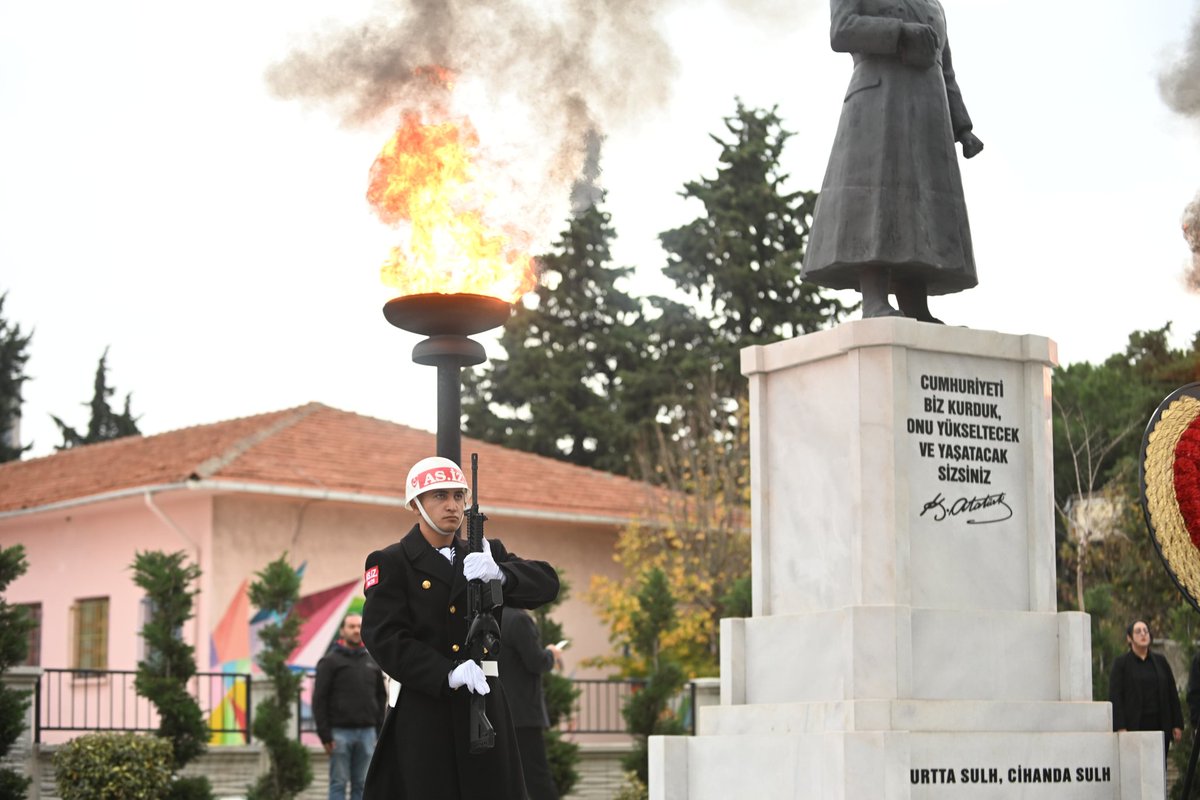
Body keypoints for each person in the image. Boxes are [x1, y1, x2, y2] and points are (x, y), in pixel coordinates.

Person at [360, 455, 560, 800]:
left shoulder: (484, 553)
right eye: (439, 496)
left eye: (458, 496)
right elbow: (383, 637)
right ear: (415, 504)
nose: (452, 506)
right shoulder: (391, 562)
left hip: (485, 706)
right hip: (426, 709)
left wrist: (502, 573)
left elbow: (547, 584)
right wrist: (445, 673)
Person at [801, 0, 984, 322]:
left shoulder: (933, 4)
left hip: (929, 112)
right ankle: (874, 301)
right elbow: (842, 31)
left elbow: (946, 68)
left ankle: (916, 305)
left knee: (920, 208)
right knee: (878, 202)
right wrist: (900, 32)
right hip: (878, 102)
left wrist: (962, 126)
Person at [313, 614, 387, 800]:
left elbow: (381, 697)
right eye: (351, 626)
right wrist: (325, 734)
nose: (355, 630)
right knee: (338, 783)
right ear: (342, 630)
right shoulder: (329, 662)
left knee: (362, 784)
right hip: (339, 734)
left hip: (368, 734)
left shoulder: (372, 662)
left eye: (358, 626)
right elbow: (319, 699)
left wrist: (378, 731)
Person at [499, 605, 565, 800]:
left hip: (496, 712)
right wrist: (551, 654)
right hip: (523, 714)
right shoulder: (518, 619)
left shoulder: (489, 617)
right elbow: (535, 661)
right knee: (537, 779)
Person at [1110, 620, 1184, 761]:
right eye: (1138, 631)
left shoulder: (1160, 661)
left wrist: (1177, 724)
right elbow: (1116, 696)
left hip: (1160, 724)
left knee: (1159, 766)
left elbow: (1171, 692)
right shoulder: (1121, 664)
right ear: (1129, 638)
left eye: (1146, 631)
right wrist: (1120, 726)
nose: (1143, 634)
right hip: (1134, 725)